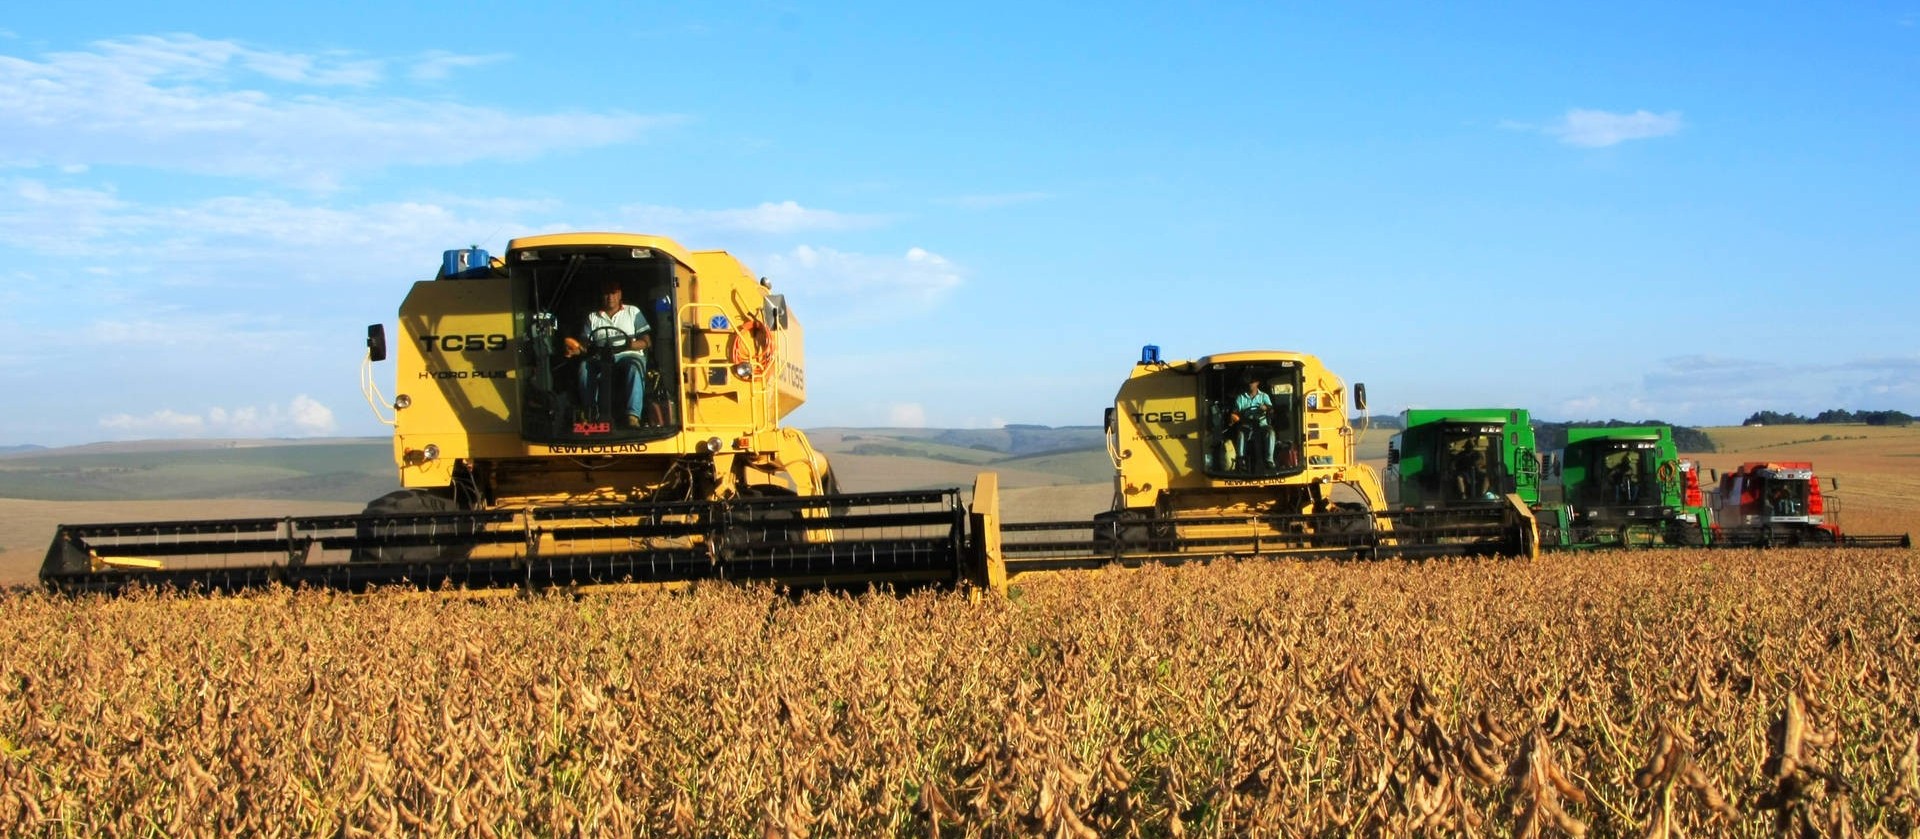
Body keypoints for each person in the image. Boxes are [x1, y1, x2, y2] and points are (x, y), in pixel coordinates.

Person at [566, 277, 652, 428]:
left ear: (620, 295)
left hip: (628, 355)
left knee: (635, 366)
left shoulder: (633, 312)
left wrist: (631, 345)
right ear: (602, 296)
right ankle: (591, 413)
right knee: (584, 367)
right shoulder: (592, 317)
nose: (610, 297)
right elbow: (585, 345)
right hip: (600, 357)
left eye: (613, 293)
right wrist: (576, 349)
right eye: (606, 293)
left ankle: (633, 416)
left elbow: (646, 341)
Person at [1230, 377, 1273, 472]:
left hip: (1262, 424)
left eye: (1252, 382)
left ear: (1257, 383)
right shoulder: (1240, 397)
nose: (1250, 384)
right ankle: (1241, 460)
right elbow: (1236, 411)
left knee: (1270, 432)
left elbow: (1271, 409)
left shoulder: (1264, 396)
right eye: (1248, 382)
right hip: (1246, 424)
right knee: (1241, 434)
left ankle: (1269, 460)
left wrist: (1266, 408)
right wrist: (1234, 415)